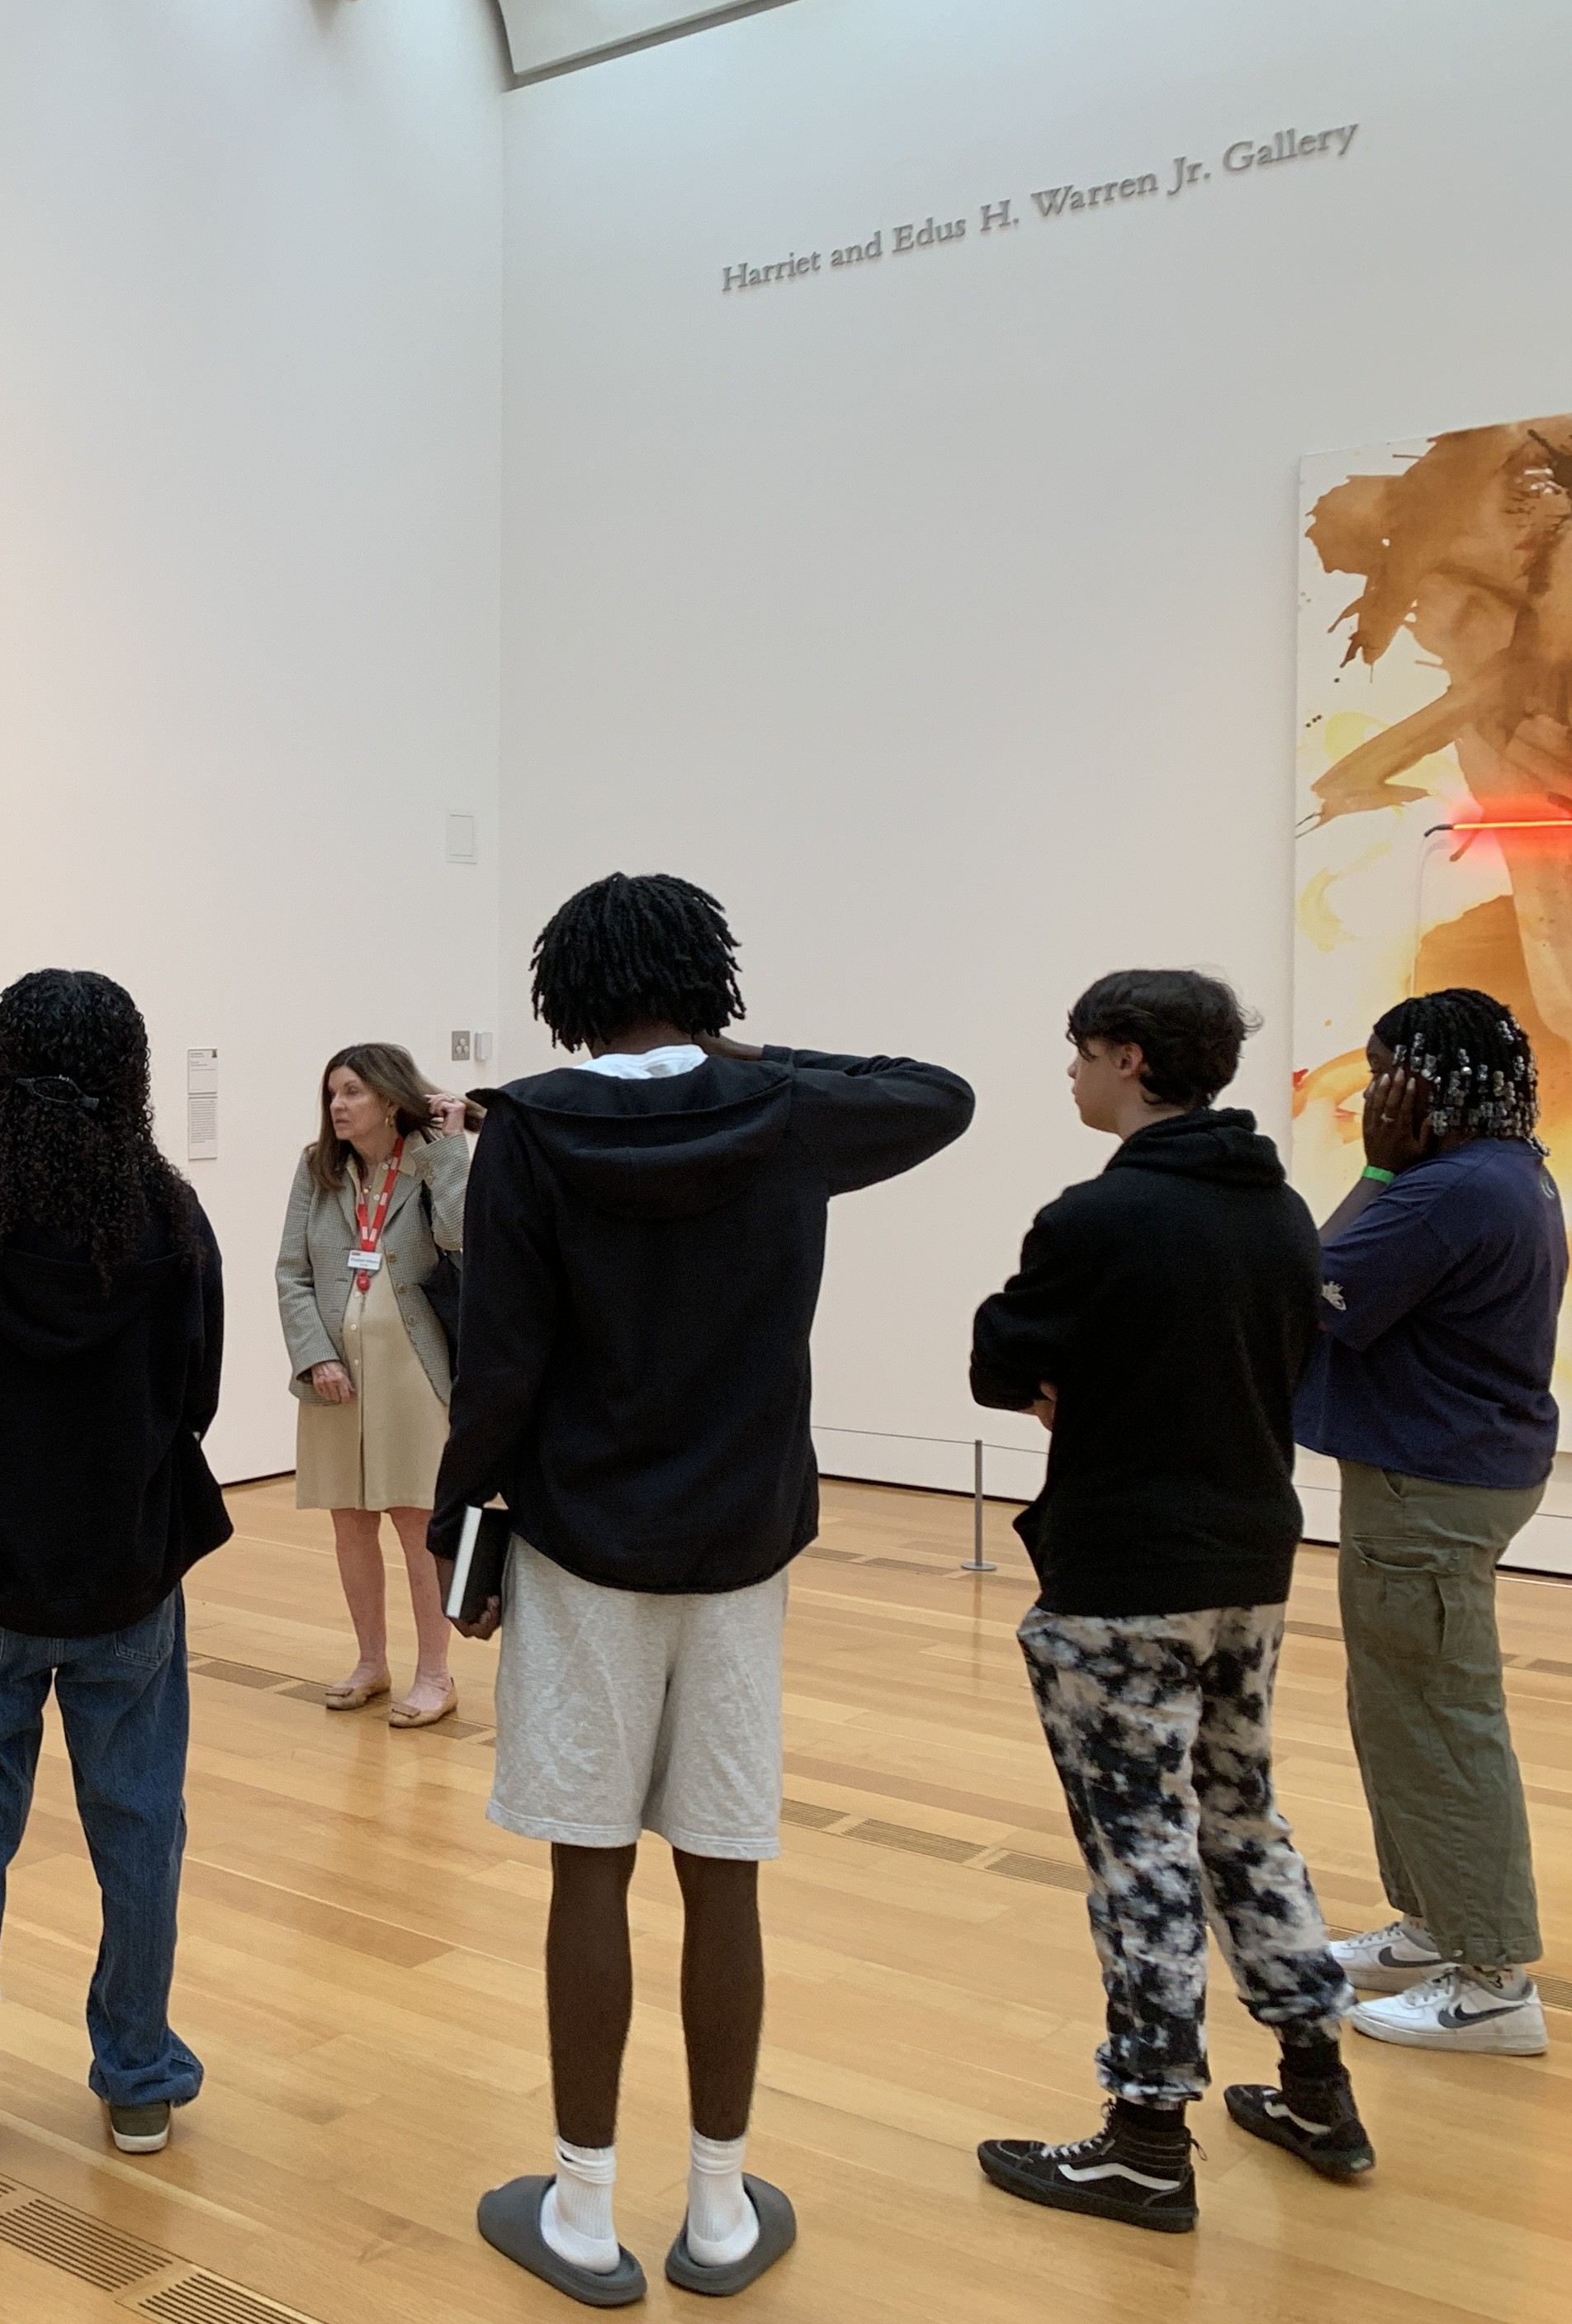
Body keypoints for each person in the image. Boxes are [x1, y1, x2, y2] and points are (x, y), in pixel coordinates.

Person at [429, 872, 972, 2306]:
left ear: (566, 990)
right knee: (723, 1863)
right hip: (739, 1545)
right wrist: (740, 1053)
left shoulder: (528, 1128)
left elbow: (499, 1362)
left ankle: (583, 2210)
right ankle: (721, 2211)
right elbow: (939, 1092)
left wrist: (455, 1521)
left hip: (579, 1543)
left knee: (588, 1862)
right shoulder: (783, 1113)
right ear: (709, 980)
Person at [968, 969, 1369, 2236]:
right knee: (1244, 1819)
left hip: (1126, 1579)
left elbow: (999, 1357)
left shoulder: (1099, 1218)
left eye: (1082, 1051)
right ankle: (1318, 2090)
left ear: (1130, 1058)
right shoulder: (1282, 1213)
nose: (1072, 1072)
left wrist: (1075, 1384)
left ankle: (1145, 2144)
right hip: (1250, 1567)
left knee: (1139, 1851)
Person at [0, 968, 227, 2166]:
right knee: (141, 1834)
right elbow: (198, 1394)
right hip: (128, 1572)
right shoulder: (169, 1217)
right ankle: (138, 2078)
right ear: (131, 1078)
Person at [1298, 988, 1561, 2057]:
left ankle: (1492, 1981)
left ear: (1427, 1086)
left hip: (1431, 1488)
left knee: (1441, 1723)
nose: (1370, 1096)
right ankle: (1431, 1927)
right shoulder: (1505, 1170)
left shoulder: (1443, 1191)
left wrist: (1374, 1170)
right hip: (1443, 1475)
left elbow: (1310, 1290)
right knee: (1401, 1713)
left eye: (1382, 1075)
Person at [275, 1044, 473, 1727]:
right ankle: (371, 1662)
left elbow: (462, 1238)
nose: (338, 1105)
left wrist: (451, 1152)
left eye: (353, 1091)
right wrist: (314, 1356)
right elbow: (291, 1272)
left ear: (390, 1099)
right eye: (332, 1092)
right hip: (336, 1374)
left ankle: (436, 1673)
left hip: (412, 1371)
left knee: (417, 1522)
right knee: (350, 1520)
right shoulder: (318, 1168)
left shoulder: (429, 1161)